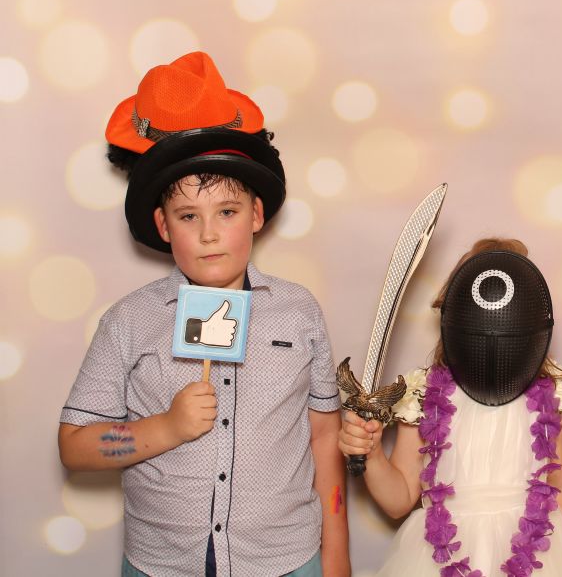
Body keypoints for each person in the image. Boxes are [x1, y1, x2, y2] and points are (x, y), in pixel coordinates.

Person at [57, 52, 350, 577]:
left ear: (256, 214)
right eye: (188, 216)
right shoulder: (129, 321)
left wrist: (337, 556)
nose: (209, 233)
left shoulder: (298, 312)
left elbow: (324, 436)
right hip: (162, 563)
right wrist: (166, 428)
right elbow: (75, 447)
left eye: (227, 212)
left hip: (284, 559)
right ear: (163, 226)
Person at [339, 238, 562, 577]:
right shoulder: (424, 393)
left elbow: (559, 489)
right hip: (441, 557)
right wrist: (372, 453)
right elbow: (399, 500)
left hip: (536, 555)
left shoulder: (548, 393)